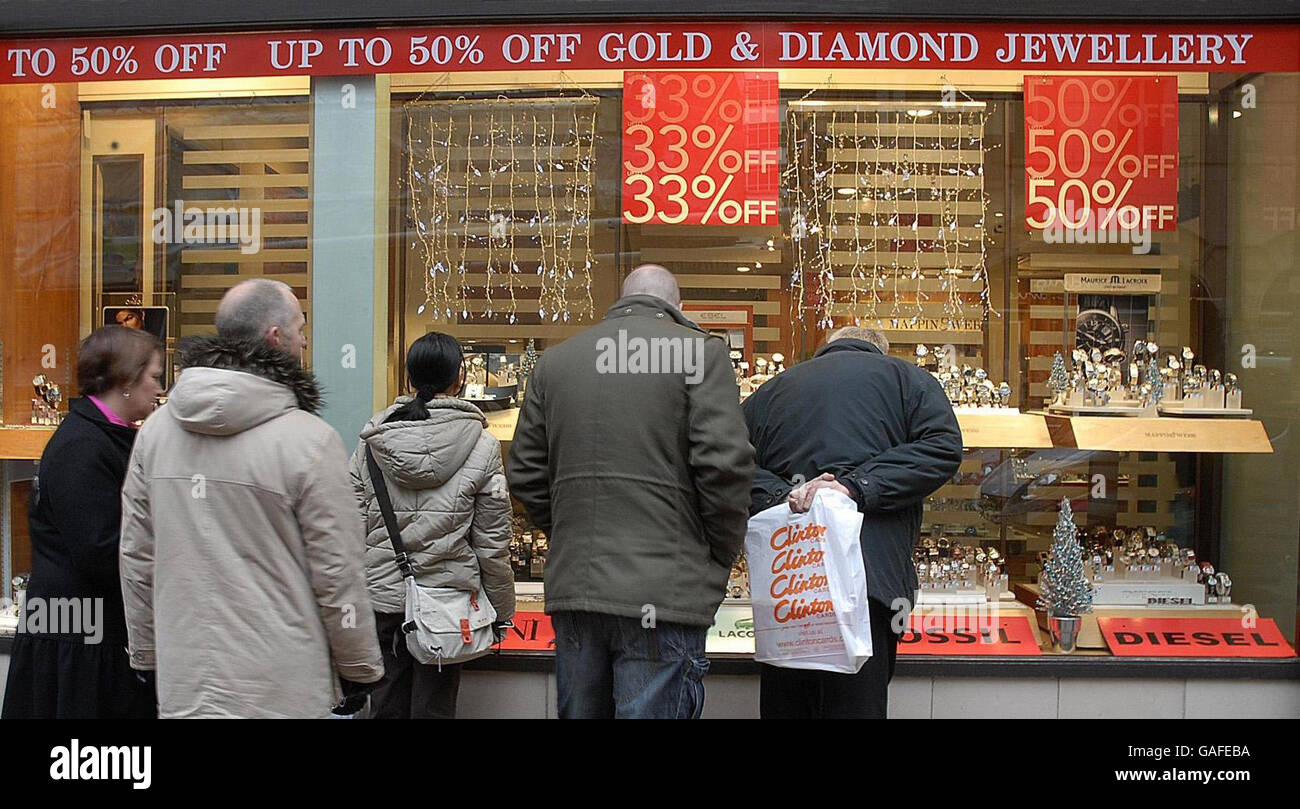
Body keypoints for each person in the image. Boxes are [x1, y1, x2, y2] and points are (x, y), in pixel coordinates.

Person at [119, 278, 384, 718]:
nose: (305, 339)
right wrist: (359, 668)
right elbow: (337, 574)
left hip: (188, 683)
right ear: (276, 337)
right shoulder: (311, 441)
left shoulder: (156, 434)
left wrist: (146, 654)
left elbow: (137, 556)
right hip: (285, 687)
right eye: (301, 328)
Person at [508, 264, 754, 719]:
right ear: (680, 308)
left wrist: (571, 532)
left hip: (578, 586)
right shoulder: (699, 353)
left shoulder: (557, 362)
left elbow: (524, 473)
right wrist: (718, 551)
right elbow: (724, 465)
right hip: (665, 590)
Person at [741, 326, 963, 719]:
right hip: (869, 581)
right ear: (879, 350)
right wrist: (857, 487)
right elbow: (942, 448)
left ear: (826, 348)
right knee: (857, 704)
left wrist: (788, 494)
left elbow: (727, 463)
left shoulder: (772, 389)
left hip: (790, 583)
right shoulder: (909, 379)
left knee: (788, 704)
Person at [349, 332, 515, 719]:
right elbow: (492, 544)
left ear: (408, 377)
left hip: (384, 605)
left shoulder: (372, 441)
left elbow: (350, 526)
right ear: (459, 377)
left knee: (386, 707)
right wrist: (503, 611)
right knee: (435, 710)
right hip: (448, 607)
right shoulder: (483, 445)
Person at [2, 326, 163, 719]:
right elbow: (102, 551)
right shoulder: (83, 446)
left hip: (87, 635)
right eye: (155, 377)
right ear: (126, 380)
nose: (160, 389)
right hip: (79, 641)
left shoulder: (104, 437)